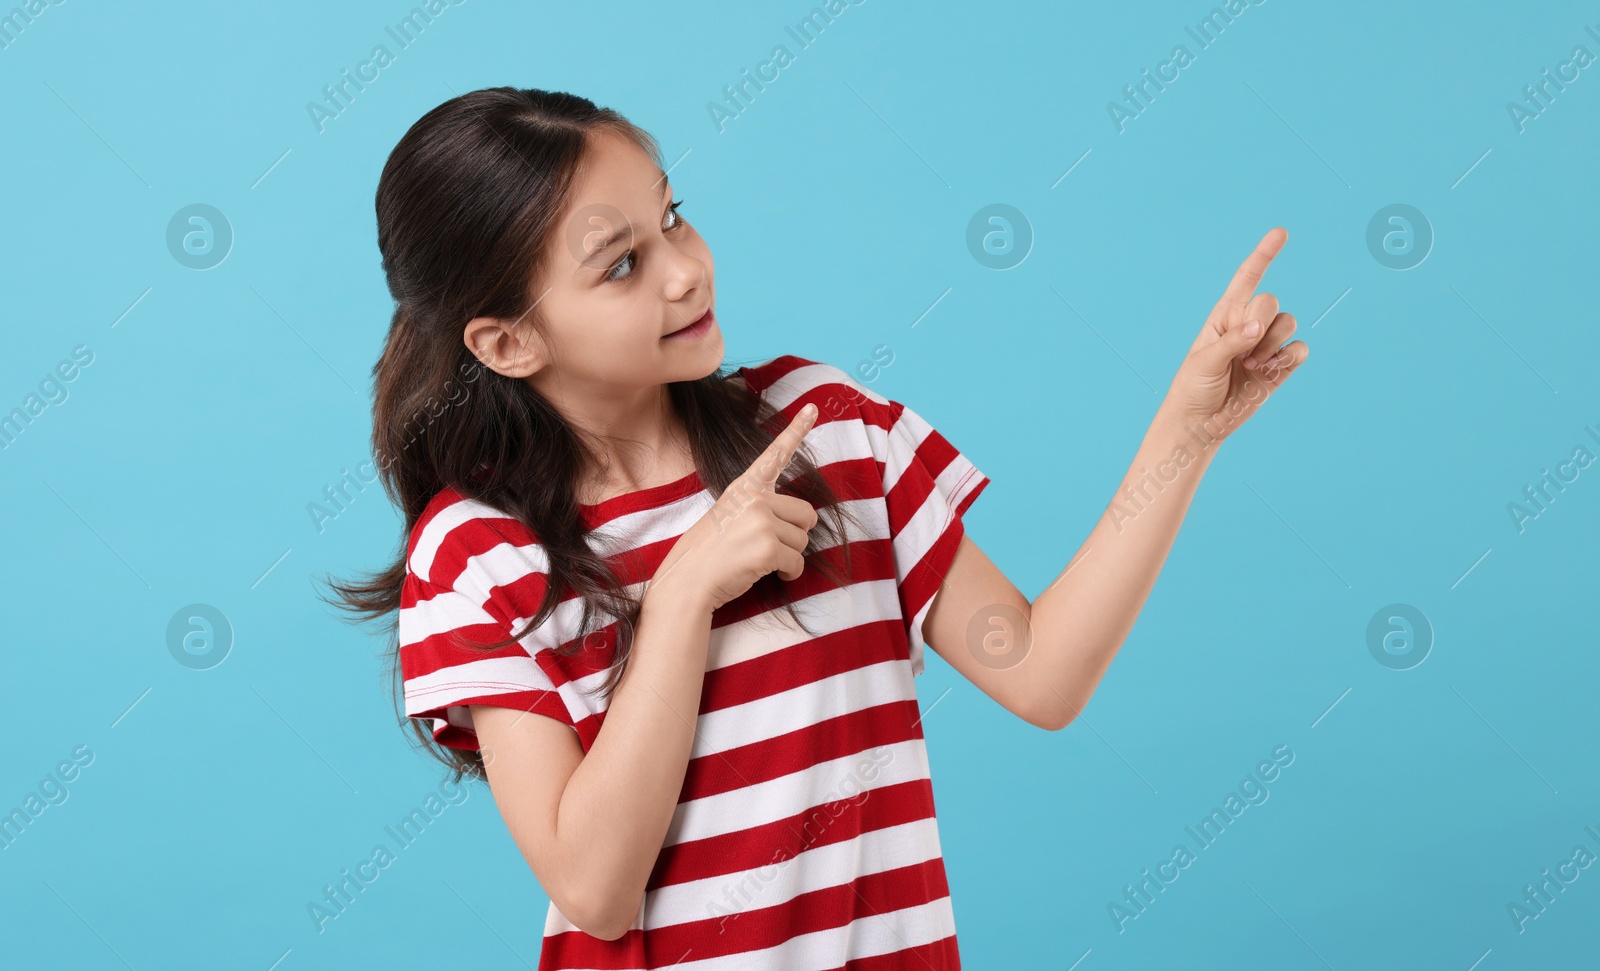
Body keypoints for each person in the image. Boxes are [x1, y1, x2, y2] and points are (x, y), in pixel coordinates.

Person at [327, 86, 1308, 969]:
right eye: (622, 263)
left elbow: (1043, 671)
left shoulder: (826, 431)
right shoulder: (477, 557)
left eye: (671, 218)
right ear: (508, 340)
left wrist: (1188, 431)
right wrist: (678, 598)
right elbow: (595, 886)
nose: (683, 271)